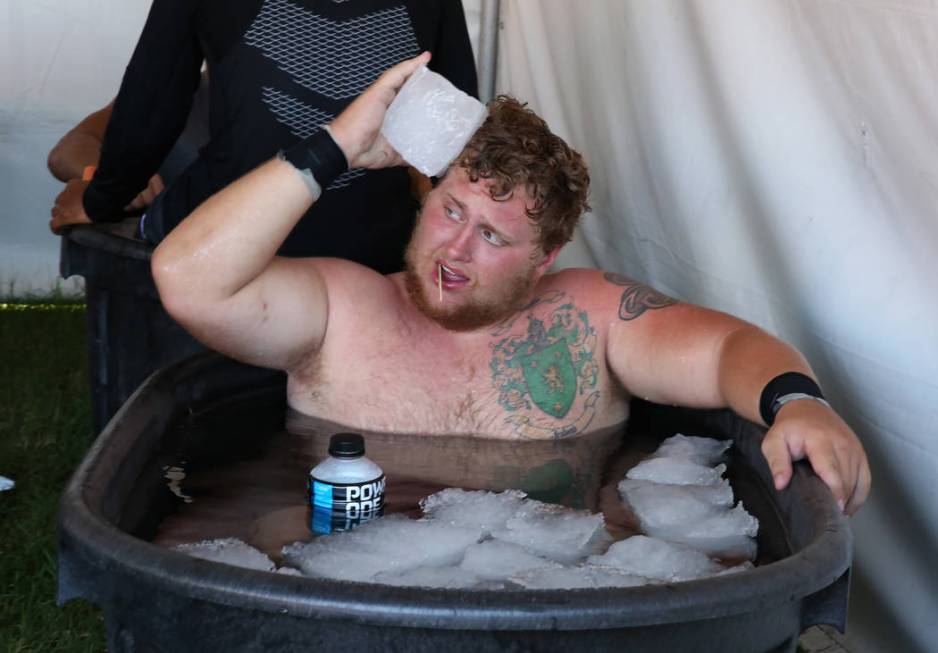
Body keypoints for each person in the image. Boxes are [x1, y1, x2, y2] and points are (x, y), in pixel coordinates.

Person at [152, 53, 871, 515]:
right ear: (426, 198)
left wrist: (798, 402)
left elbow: (727, 352)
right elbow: (189, 280)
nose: (455, 248)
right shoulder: (340, 307)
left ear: (545, 257)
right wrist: (335, 145)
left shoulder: (592, 314)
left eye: (493, 235)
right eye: (450, 210)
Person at [50, 0, 477, 274]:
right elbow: (458, 122)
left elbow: (152, 104)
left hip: (222, 247)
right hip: (377, 251)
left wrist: (99, 199)